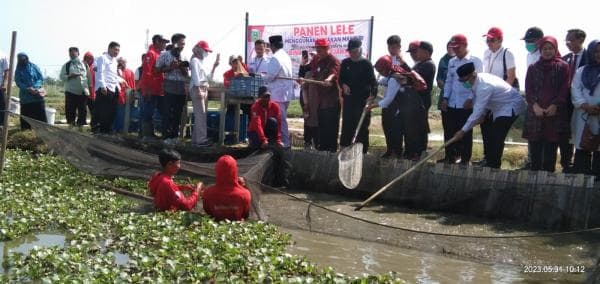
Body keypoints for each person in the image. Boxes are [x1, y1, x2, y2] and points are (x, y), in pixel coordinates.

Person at [451, 63, 527, 168]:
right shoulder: (477, 81)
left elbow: (476, 111)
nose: (464, 83)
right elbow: (485, 102)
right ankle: (489, 160)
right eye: (462, 81)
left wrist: (462, 131)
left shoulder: (484, 86)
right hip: (498, 107)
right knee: (489, 133)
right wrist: (483, 115)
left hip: (510, 106)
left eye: (465, 80)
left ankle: (493, 165)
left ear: (472, 75)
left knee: (497, 136)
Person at [523, 36, 570, 172]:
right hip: (535, 113)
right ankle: (534, 179)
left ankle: (548, 181)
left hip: (555, 114)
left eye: (550, 48)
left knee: (550, 149)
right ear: (540, 50)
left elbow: (564, 89)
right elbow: (529, 89)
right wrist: (535, 106)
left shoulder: (563, 66)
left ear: (555, 49)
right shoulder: (533, 67)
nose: (547, 51)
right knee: (535, 150)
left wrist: (555, 105)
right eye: (544, 49)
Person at [368, 55, 428, 160]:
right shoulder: (393, 74)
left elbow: (388, 100)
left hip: (412, 107)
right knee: (403, 130)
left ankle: (411, 154)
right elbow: (382, 81)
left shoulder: (394, 79)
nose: (379, 73)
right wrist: (374, 84)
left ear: (385, 68)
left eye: (380, 70)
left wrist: (372, 106)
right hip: (407, 106)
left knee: (409, 131)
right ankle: (400, 152)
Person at [440, 34, 483, 165]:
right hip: (452, 101)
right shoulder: (452, 61)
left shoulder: (475, 61)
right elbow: (448, 81)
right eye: (454, 48)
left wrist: (471, 98)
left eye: (458, 47)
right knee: (449, 130)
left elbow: (477, 82)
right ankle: (449, 157)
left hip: (467, 103)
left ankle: (464, 159)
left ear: (465, 45)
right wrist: (445, 98)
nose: (456, 50)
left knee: (465, 131)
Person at [478, 27, 518, 167]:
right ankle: (487, 158)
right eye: (487, 40)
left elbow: (511, 76)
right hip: (489, 94)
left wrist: (502, 96)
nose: (489, 43)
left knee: (497, 132)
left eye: (492, 40)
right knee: (485, 128)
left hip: (502, 97)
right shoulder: (486, 53)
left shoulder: (507, 53)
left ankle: (494, 162)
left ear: (500, 40)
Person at [339, 38, 378, 153]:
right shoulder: (345, 63)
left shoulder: (366, 64)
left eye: (355, 51)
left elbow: (373, 83)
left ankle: (362, 151)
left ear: (360, 49)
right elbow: (340, 79)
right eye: (350, 52)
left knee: (362, 126)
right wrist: (343, 86)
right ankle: (344, 148)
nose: (353, 54)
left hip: (362, 100)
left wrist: (372, 96)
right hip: (349, 99)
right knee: (347, 124)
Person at [570, 40, 600, 176]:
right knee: (583, 144)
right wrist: (585, 105)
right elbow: (575, 89)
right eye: (596, 51)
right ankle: (581, 176)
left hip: (598, 114)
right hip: (583, 114)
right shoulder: (581, 71)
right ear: (590, 53)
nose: (599, 54)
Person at [306, 38, 341, 152]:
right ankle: (323, 150)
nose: (318, 52)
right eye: (317, 49)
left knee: (332, 128)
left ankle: (332, 150)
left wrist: (328, 79)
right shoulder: (319, 61)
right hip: (321, 102)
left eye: (320, 49)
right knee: (322, 127)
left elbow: (334, 73)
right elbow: (315, 75)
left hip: (332, 101)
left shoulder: (334, 60)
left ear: (327, 49)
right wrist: (305, 79)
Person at [561, 28, 588, 172]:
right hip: (566, 102)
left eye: (570, 40)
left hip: (584, 103)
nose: (567, 43)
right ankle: (566, 164)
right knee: (566, 133)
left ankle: (581, 165)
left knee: (581, 133)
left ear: (581, 40)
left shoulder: (590, 57)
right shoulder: (565, 58)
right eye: (566, 40)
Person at [156, 33, 189, 144]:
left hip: (181, 87)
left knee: (178, 113)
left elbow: (186, 75)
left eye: (184, 44)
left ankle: (175, 137)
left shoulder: (184, 56)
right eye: (181, 43)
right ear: (174, 43)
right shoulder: (164, 54)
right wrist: (170, 67)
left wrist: (181, 67)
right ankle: (166, 137)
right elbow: (157, 70)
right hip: (169, 86)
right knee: (168, 112)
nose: (183, 46)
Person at [520, 26, 545, 170]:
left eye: (531, 40)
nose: (528, 43)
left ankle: (540, 164)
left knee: (543, 133)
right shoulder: (529, 56)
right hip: (531, 98)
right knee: (531, 133)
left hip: (544, 101)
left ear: (540, 40)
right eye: (526, 40)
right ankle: (531, 162)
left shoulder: (545, 54)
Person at [264, 35, 294, 148]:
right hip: (285, 93)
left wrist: (260, 76)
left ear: (272, 46)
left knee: (280, 120)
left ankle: (285, 143)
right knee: (281, 119)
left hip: (278, 94)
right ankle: (282, 141)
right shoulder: (285, 55)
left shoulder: (275, 57)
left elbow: (270, 77)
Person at [202, 155, 252, 221]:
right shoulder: (245, 194)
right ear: (235, 170)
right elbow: (245, 215)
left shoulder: (207, 193)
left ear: (217, 170)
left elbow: (208, 212)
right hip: (237, 228)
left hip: (214, 228)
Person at [407, 40, 436, 155]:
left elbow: (411, 77)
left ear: (425, 52)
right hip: (414, 100)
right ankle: (413, 151)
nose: (416, 54)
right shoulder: (419, 64)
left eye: (418, 51)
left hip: (422, 100)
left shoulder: (428, 65)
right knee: (413, 126)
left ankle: (420, 151)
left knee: (420, 127)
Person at [189, 40, 218, 146]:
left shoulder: (200, 62)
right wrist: (198, 89)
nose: (206, 53)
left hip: (203, 87)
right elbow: (195, 76)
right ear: (200, 49)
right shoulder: (195, 60)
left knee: (200, 115)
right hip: (198, 88)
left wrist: (214, 66)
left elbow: (208, 78)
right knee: (201, 115)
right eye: (205, 50)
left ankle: (196, 140)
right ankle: (201, 140)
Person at [140, 34, 169, 139]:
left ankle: (151, 134)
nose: (165, 44)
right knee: (148, 113)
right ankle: (146, 136)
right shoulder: (151, 54)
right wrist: (147, 89)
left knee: (160, 112)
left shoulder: (158, 54)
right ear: (157, 41)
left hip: (158, 90)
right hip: (151, 90)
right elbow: (147, 72)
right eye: (164, 42)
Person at [60, 47, 91, 129]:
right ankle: (71, 128)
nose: (72, 54)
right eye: (70, 53)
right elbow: (62, 77)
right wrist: (70, 76)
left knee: (83, 111)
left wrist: (89, 89)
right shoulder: (66, 65)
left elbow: (89, 77)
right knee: (70, 111)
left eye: (74, 52)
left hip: (83, 91)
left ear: (78, 53)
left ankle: (81, 128)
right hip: (71, 91)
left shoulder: (85, 64)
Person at [95, 41, 121, 134]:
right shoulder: (102, 58)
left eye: (118, 50)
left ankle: (107, 131)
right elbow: (100, 72)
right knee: (103, 112)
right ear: (109, 48)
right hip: (105, 88)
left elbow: (113, 75)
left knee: (112, 111)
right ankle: (101, 131)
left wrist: (120, 84)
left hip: (113, 88)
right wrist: (102, 86)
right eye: (115, 49)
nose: (117, 52)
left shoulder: (114, 61)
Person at [15, 53, 47, 130]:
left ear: (27, 58)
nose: (24, 61)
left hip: (37, 95)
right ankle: (26, 131)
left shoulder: (34, 67)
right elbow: (18, 82)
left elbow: (40, 78)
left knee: (40, 116)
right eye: (21, 59)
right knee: (26, 116)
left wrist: (35, 88)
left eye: (25, 59)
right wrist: (28, 89)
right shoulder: (18, 70)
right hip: (26, 98)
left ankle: (42, 130)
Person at [436, 41, 456, 162]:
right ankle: (448, 155)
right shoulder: (443, 60)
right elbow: (439, 79)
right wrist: (446, 88)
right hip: (445, 99)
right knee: (447, 129)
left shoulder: (462, 60)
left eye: (453, 46)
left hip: (458, 101)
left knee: (457, 128)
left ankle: (458, 155)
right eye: (448, 46)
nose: (450, 48)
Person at [299, 51, 319, 149]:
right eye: (312, 56)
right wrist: (302, 64)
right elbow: (302, 83)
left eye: (315, 56)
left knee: (317, 122)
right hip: (306, 99)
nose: (313, 58)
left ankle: (316, 143)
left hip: (318, 102)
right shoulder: (306, 68)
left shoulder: (323, 70)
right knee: (308, 121)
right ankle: (307, 142)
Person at [113, 57, 135, 132]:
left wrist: (133, 95)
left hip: (128, 95)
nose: (122, 64)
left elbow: (133, 85)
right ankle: (117, 129)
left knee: (128, 114)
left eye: (123, 62)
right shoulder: (115, 72)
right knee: (119, 113)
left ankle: (126, 129)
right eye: (120, 62)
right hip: (119, 96)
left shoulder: (130, 72)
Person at [83, 51, 96, 129]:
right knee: (83, 108)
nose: (89, 60)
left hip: (92, 91)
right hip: (83, 91)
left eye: (91, 58)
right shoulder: (82, 66)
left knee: (93, 109)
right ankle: (82, 122)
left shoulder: (94, 67)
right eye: (88, 58)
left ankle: (93, 123)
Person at [0, 50, 8, 128]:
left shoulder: (2, 55)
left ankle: (2, 124)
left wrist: (4, 83)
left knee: (2, 104)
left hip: (0, 85)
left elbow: (6, 71)